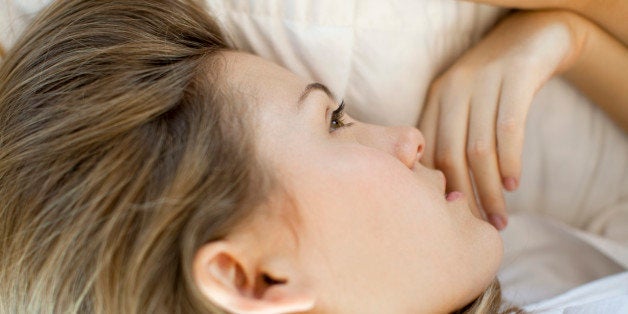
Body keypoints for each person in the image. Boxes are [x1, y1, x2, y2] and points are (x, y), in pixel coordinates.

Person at [0, 0, 625, 313]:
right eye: (333, 121)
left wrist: (566, 39)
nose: (408, 139)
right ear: (257, 279)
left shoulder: (528, 268)